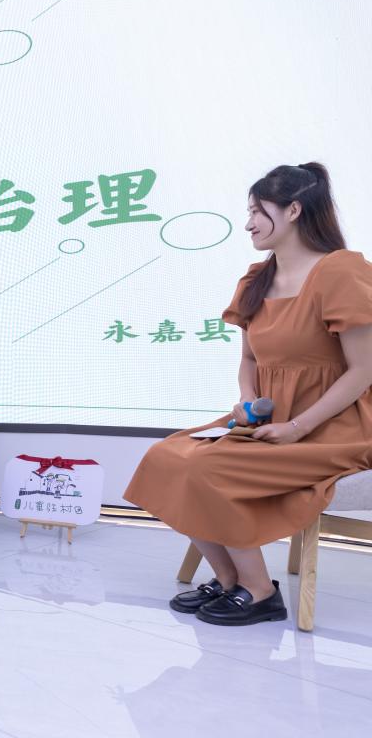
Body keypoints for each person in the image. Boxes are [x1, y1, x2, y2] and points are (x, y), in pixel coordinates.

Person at [125, 163, 372, 625]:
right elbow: (250, 360)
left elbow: (362, 372)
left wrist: (297, 427)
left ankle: (260, 591)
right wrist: (246, 402)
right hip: (268, 419)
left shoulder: (341, 272)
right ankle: (228, 579)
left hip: (332, 427)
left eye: (258, 211)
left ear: (293, 210)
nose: (249, 223)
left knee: (209, 469)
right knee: (166, 457)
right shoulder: (257, 278)